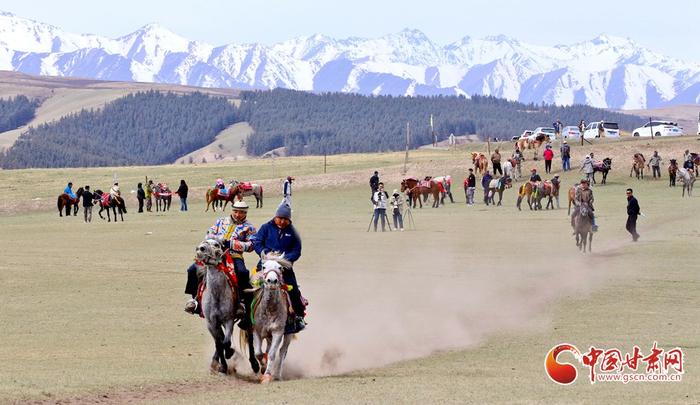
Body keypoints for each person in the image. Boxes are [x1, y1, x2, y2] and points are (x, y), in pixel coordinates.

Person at [184, 200, 257, 328]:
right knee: (192, 270)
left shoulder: (249, 227)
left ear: (245, 213)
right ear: (231, 210)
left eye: (241, 212)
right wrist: (217, 240)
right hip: (214, 254)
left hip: (234, 256)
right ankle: (194, 300)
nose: (238, 214)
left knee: (243, 273)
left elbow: (251, 245)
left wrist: (232, 244)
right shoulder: (220, 221)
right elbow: (208, 234)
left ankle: (241, 303)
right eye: (235, 211)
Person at [251, 203, 306, 333]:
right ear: (275, 217)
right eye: (279, 218)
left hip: (284, 268)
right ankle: (247, 316)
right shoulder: (266, 227)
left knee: (294, 291)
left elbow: (297, 251)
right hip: (265, 266)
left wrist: (284, 259)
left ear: (289, 219)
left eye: (285, 219)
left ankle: (297, 318)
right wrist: (265, 253)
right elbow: (257, 243)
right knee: (251, 288)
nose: (282, 221)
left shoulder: (293, 232)